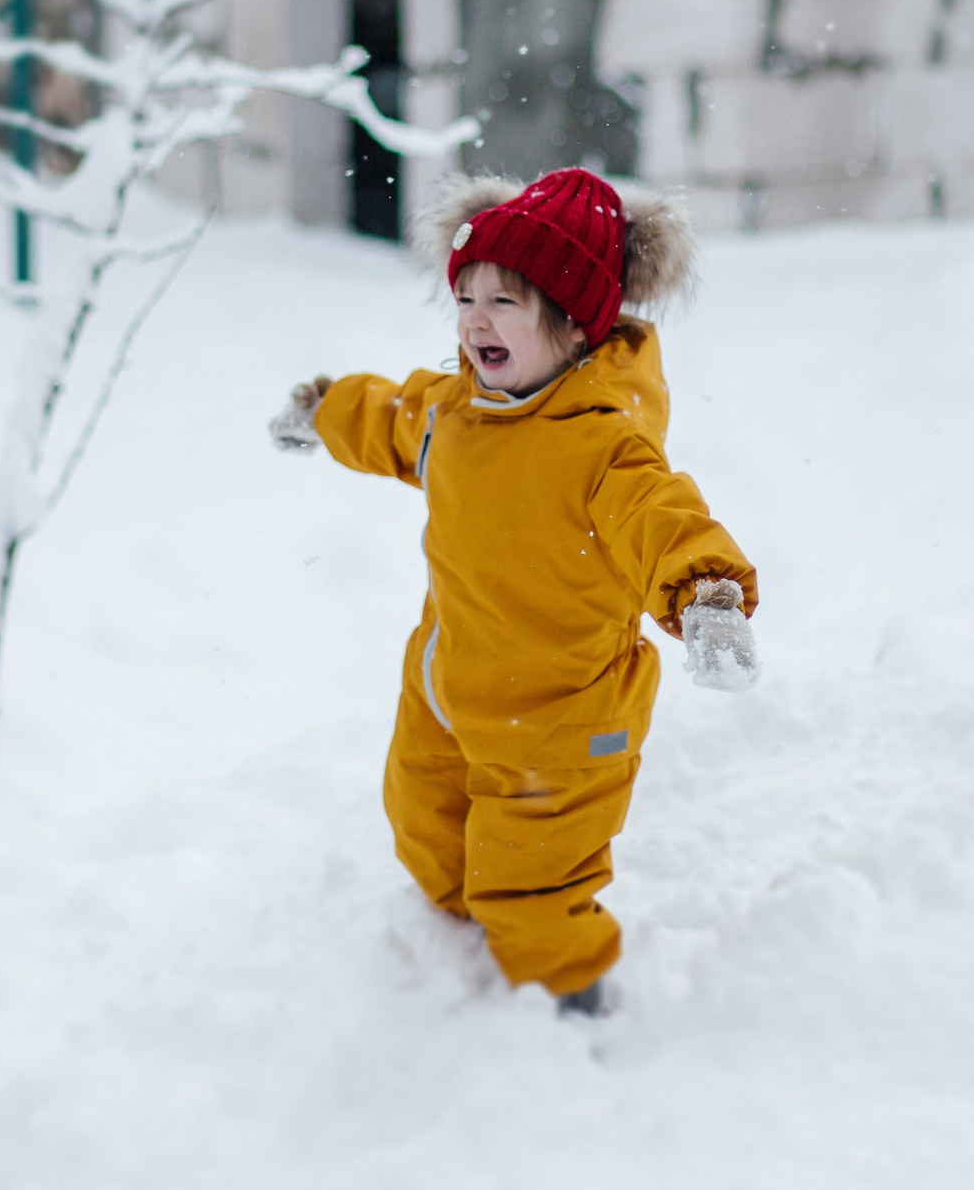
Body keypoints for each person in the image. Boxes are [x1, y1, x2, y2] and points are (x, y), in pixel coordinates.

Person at [270, 167, 759, 1017]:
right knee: (426, 832)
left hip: (562, 727)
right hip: (448, 692)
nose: (474, 320)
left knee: (531, 888)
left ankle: (572, 998)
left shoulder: (603, 447)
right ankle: (459, 948)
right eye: (466, 296)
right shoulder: (455, 414)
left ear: (573, 326)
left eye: (506, 301)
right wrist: (324, 410)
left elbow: (662, 516)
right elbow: (389, 415)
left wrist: (708, 596)